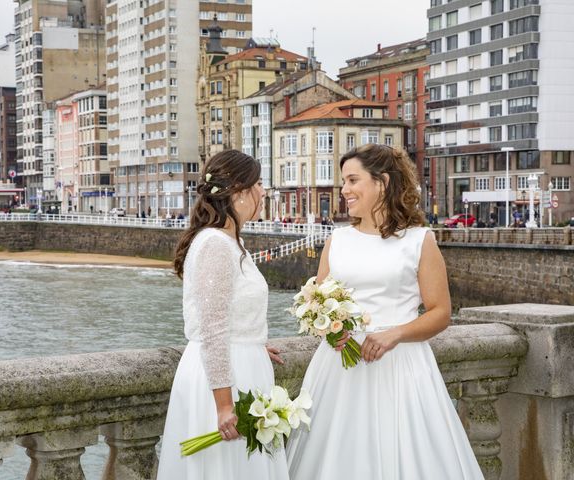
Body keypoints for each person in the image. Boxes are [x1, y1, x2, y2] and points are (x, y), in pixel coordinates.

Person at [286, 144, 483, 479]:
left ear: (383, 182)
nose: (344, 189)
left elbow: (440, 312)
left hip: (400, 367)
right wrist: (329, 329)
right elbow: (316, 301)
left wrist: (396, 333)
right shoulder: (338, 240)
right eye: (343, 181)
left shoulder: (419, 240)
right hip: (339, 369)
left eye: (352, 180)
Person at [157, 150, 288, 480]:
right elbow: (212, 328)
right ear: (239, 192)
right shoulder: (215, 244)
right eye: (258, 184)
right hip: (224, 379)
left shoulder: (232, 243)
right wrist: (224, 406)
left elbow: (231, 315)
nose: (263, 193)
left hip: (241, 365)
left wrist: (252, 343)